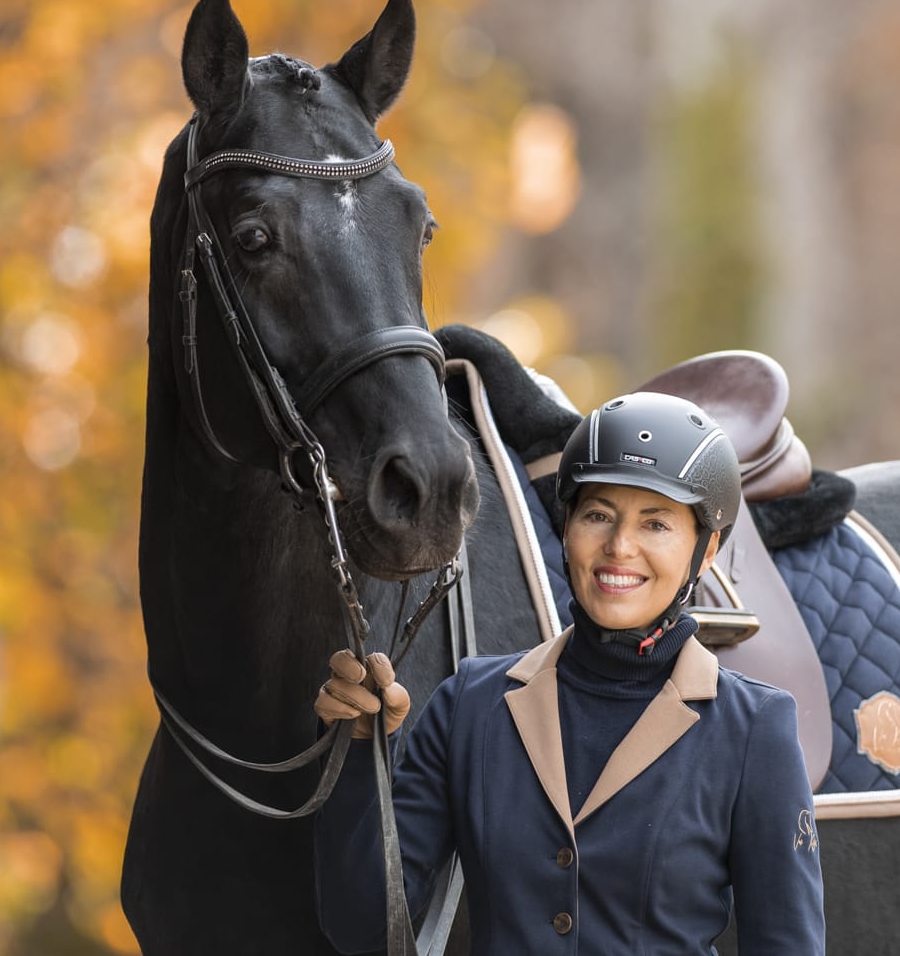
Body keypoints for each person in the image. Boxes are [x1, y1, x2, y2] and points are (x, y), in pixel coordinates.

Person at [313, 391, 825, 954]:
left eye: (656, 524)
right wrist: (358, 754)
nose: (619, 547)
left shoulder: (757, 730)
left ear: (704, 553)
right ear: (568, 528)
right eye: (598, 515)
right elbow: (363, 932)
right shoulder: (469, 704)